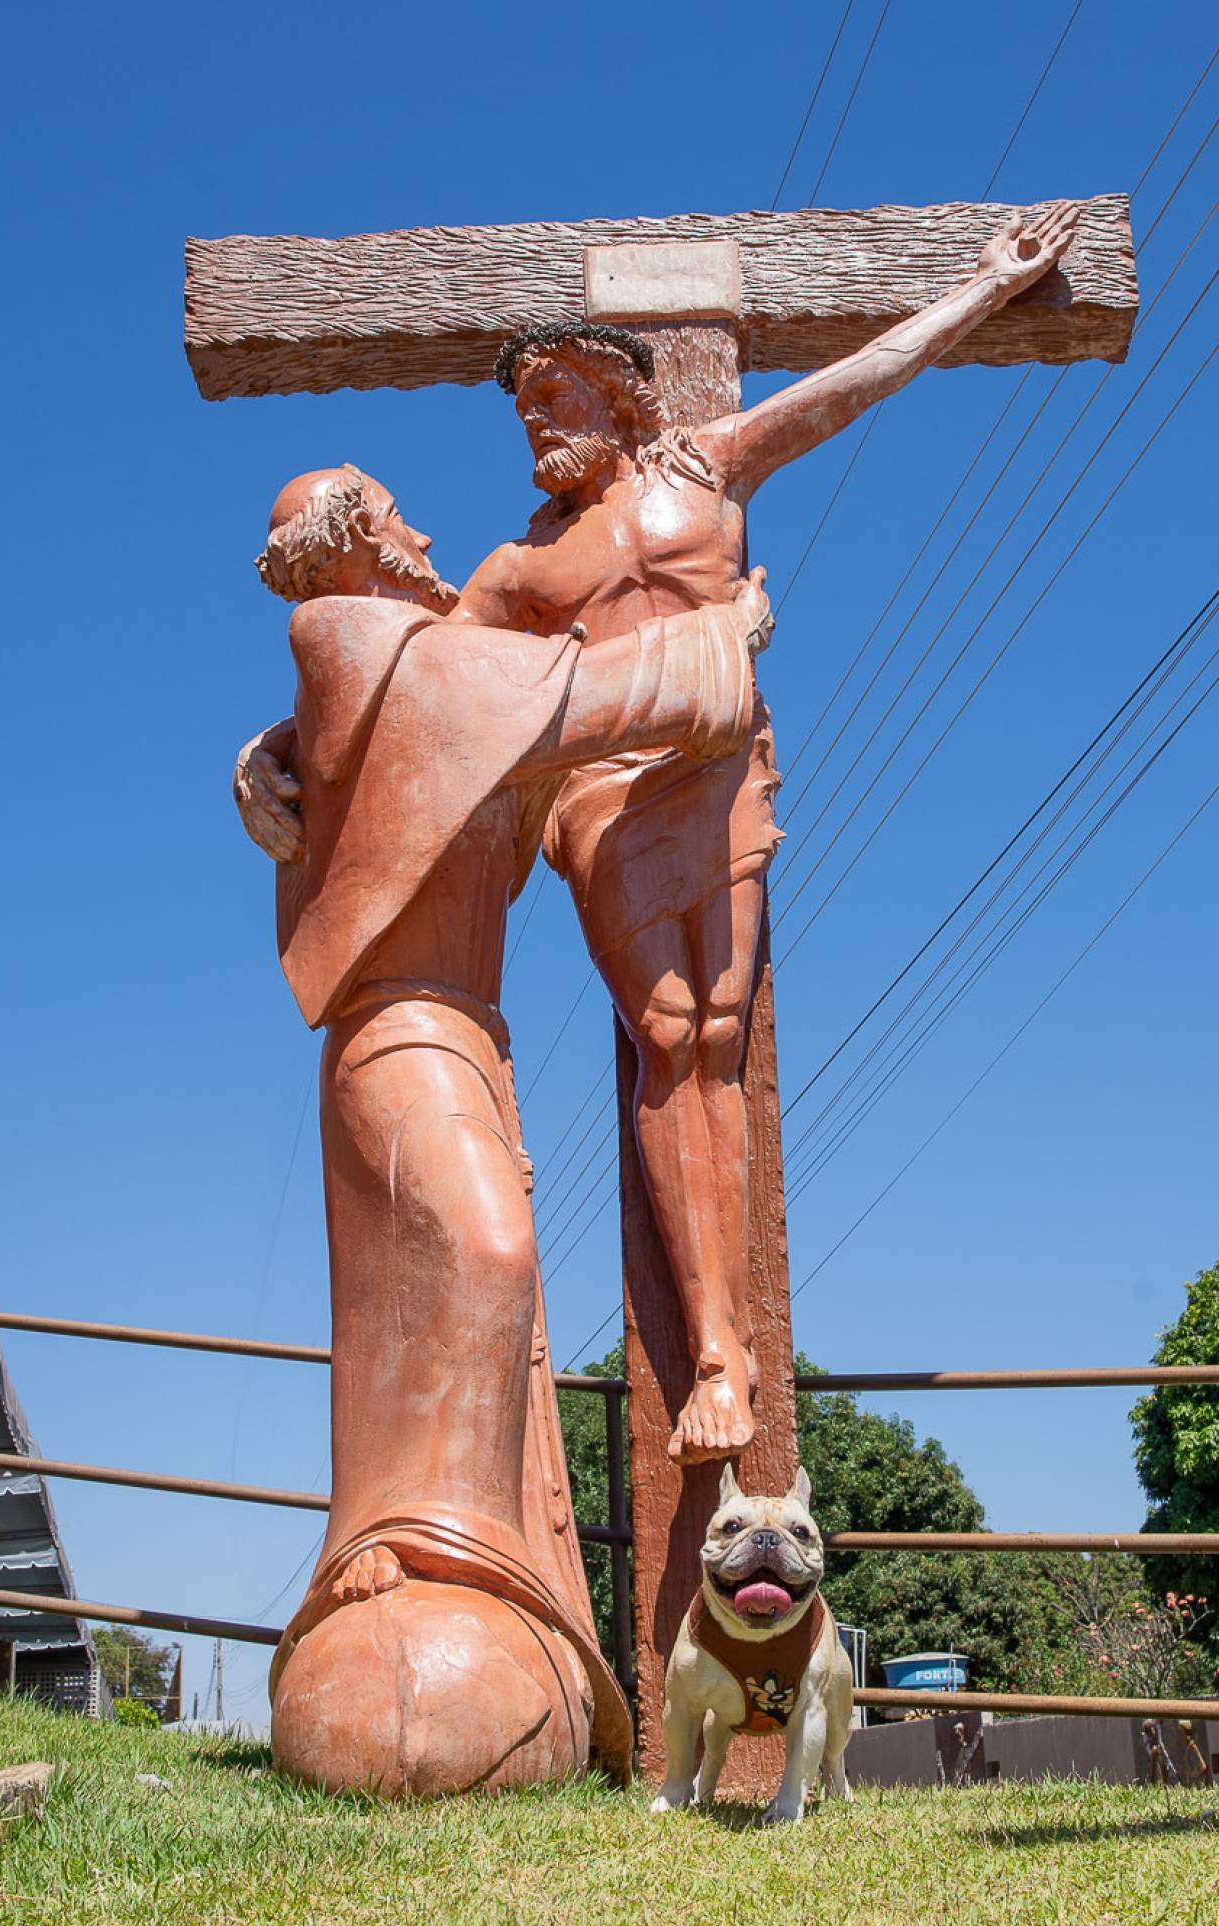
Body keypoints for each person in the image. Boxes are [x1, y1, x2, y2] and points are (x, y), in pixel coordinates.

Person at [238, 204, 1082, 1463]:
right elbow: (399, 694)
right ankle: (719, 1362)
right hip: (603, 792)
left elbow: (852, 387)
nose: (536, 426)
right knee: (671, 1034)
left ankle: (730, 1341)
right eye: (524, 408)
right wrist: (266, 756)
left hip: (721, 767)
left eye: (556, 398)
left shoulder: (703, 467)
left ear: (619, 398)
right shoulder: (514, 576)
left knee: (721, 1037)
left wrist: (977, 295)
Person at [250, 462, 772, 1795]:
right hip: (396, 1027)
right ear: (363, 538)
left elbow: (512, 751)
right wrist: (723, 638)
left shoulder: (408, 677)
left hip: (463, 1032)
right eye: (402, 514)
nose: (431, 532)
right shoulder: (359, 639)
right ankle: (410, 1550)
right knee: (476, 1258)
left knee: (465, 1292)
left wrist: (266, 766)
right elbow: (570, 698)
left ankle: (482, 1575)